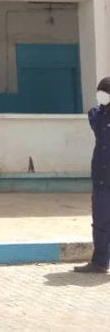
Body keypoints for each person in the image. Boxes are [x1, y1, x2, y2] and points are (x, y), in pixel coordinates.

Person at [74, 77, 110, 274]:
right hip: (102, 178)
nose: (100, 96)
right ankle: (99, 262)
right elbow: (93, 113)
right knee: (101, 221)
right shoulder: (97, 115)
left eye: (104, 92)